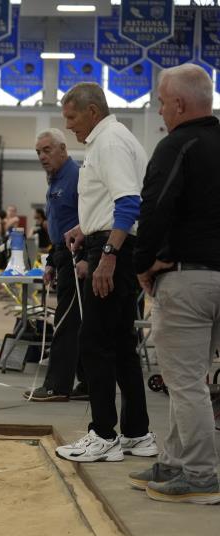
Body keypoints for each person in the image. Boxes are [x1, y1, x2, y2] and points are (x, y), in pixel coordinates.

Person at [130, 64, 220, 504]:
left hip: (188, 280)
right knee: (191, 379)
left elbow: (154, 208)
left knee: (184, 383)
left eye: (163, 103)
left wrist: (142, 263)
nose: (161, 111)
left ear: (180, 104)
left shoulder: (177, 145)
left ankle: (202, 476)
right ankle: (174, 462)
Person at [54, 82, 157, 463]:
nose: (69, 126)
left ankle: (103, 435)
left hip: (114, 249)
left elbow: (129, 203)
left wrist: (108, 254)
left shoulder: (109, 142)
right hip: (112, 243)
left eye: (72, 117)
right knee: (121, 344)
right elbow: (115, 202)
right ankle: (137, 433)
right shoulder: (112, 139)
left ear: (92, 111)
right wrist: (86, 227)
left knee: (94, 342)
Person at [25, 128, 87, 403]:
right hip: (63, 254)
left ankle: (57, 386)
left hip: (78, 256)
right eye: (38, 152)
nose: (42, 156)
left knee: (65, 321)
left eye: (47, 150)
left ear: (63, 149)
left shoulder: (77, 177)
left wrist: (86, 258)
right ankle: (88, 382)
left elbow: (91, 220)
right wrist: (51, 260)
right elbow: (60, 226)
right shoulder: (54, 180)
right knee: (79, 322)